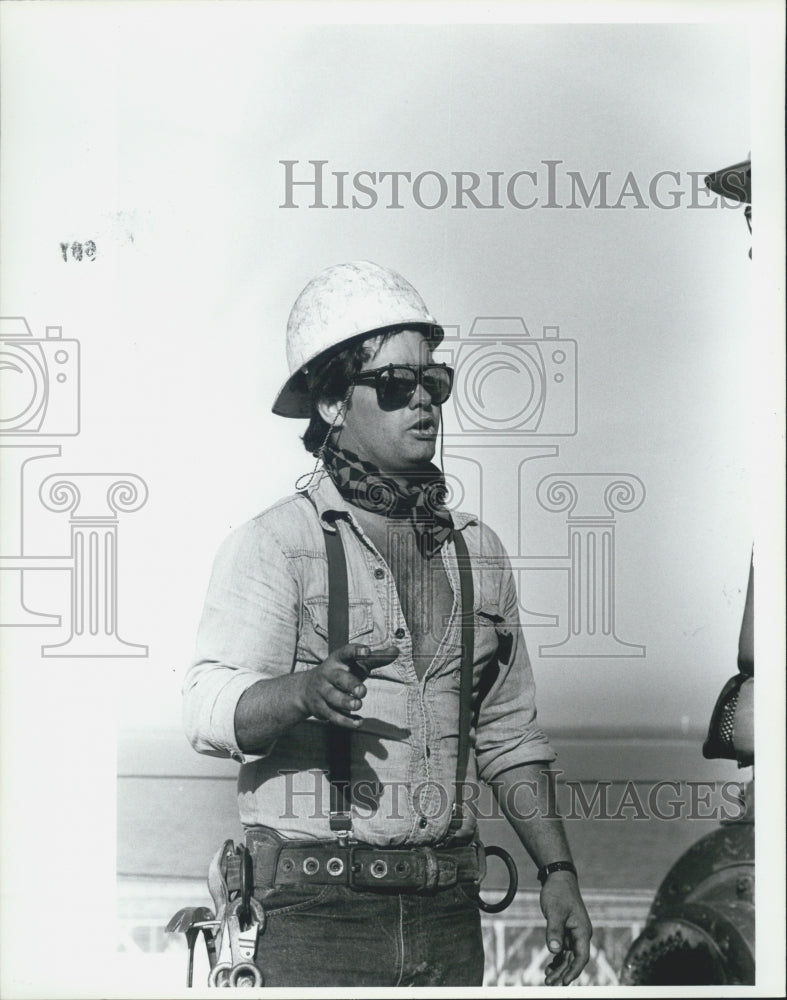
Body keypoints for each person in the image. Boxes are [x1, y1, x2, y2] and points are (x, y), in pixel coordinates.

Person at [183, 260, 592, 987]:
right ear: (335, 404)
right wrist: (303, 692)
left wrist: (555, 870)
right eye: (395, 385)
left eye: (432, 382)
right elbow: (207, 709)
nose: (423, 402)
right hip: (312, 916)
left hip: (450, 912)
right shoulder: (277, 543)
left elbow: (505, 732)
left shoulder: (479, 551)